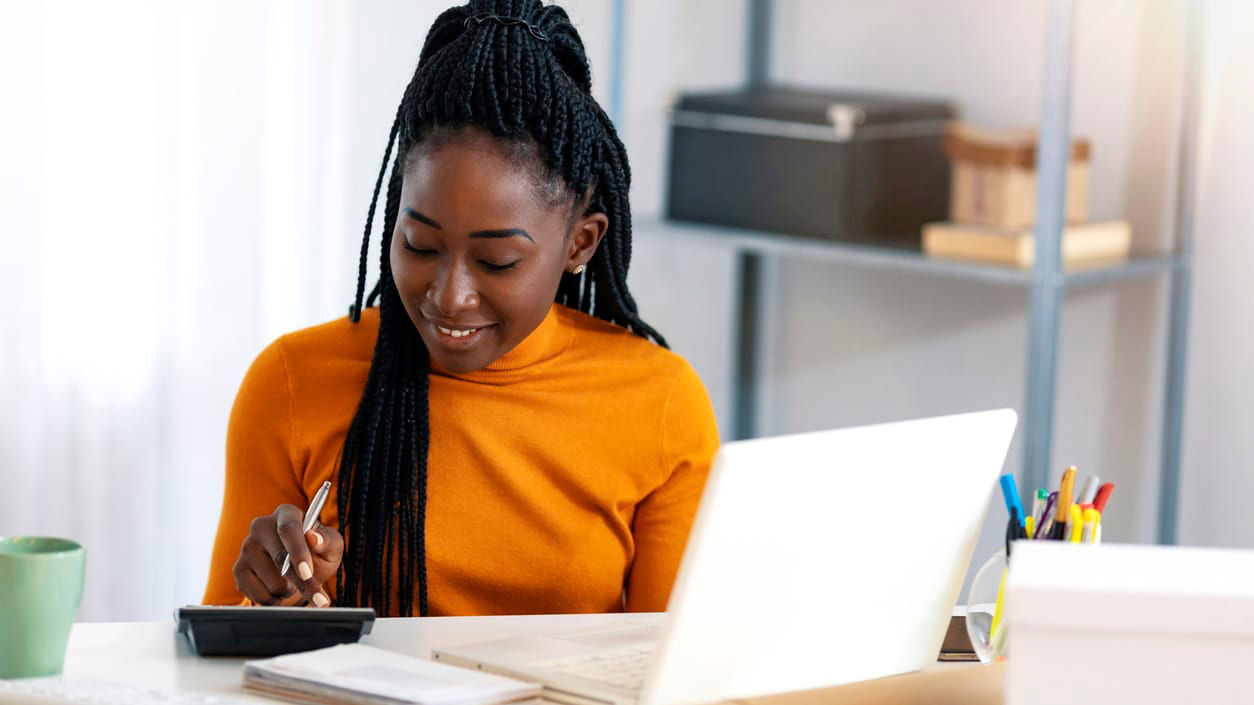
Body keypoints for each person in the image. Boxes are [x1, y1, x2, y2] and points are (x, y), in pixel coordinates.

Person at [202, 0, 719, 617]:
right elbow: (221, 658)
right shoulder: (291, 382)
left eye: (496, 261)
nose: (449, 296)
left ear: (580, 243)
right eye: (419, 245)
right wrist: (275, 601)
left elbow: (677, 670)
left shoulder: (659, 405)